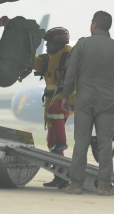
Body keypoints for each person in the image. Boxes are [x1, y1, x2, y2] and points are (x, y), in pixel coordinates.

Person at [61, 11, 114, 196]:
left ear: (94, 25)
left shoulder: (82, 44)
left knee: (81, 142)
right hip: (108, 101)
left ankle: (76, 184)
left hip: (85, 100)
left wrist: (66, 96)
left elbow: (70, 72)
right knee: (105, 144)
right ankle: (104, 186)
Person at [33, 27, 74, 188]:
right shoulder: (48, 58)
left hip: (67, 98)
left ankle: (62, 142)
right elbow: (34, 61)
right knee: (50, 141)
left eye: (49, 43)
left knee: (55, 111)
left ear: (58, 43)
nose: (46, 46)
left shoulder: (69, 55)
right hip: (53, 98)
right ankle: (61, 176)